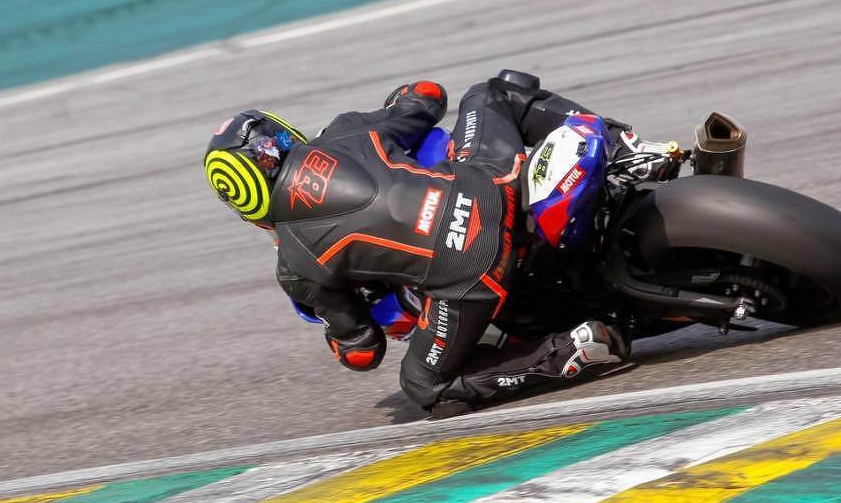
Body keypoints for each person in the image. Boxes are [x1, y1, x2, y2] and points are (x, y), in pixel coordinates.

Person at [204, 71, 656, 417]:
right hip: (494, 182)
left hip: (471, 272)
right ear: (282, 136)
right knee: (491, 93)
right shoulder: (345, 132)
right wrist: (402, 100)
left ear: (242, 198)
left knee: (425, 386)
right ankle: (623, 145)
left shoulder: (296, 265)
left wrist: (337, 336)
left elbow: (363, 350)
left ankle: (569, 350)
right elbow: (428, 95)